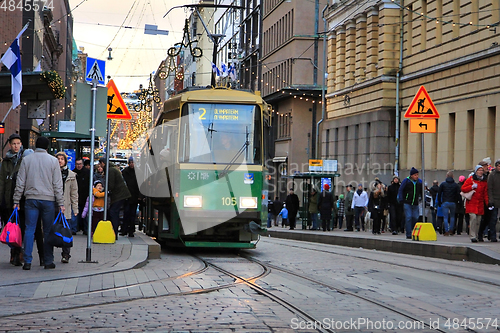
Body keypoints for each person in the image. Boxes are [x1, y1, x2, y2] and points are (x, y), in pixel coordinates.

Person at [13, 136, 64, 270]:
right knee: (47, 231)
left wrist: (16, 200)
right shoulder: (53, 161)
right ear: (47, 147)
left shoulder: (26, 160)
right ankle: (48, 261)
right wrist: (61, 203)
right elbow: (57, 184)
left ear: (36, 146)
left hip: (31, 198)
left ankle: (28, 261)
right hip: (48, 200)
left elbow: (20, 182)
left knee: (29, 229)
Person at [0, 134, 25, 266]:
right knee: (10, 227)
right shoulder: (6, 161)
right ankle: (13, 253)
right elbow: (2, 180)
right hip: (7, 199)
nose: (16, 146)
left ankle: (17, 253)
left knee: (19, 227)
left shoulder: (24, 159)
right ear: (10, 145)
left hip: (20, 199)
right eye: (14, 143)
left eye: (18, 143)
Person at [99, 157, 131, 239]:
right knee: (113, 212)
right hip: (121, 195)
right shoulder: (112, 169)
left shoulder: (110, 170)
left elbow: (111, 185)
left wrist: (103, 190)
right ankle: (114, 232)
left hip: (119, 195)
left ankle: (114, 233)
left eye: (100, 164)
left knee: (113, 212)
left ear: (103, 163)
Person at [55, 152, 79, 263]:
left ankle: (66, 254)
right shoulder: (52, 172)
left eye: (62, 159)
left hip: (66, 208)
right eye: (58, 159)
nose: (60, 161)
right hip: (53, 206)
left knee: (66, 232)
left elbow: (74, 193)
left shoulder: (71, 175)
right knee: (51, 231)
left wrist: (75, 208)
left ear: (65, 161)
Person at [461, 165, 488, 243]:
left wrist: (487, 203)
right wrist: (471, 187)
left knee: (478, 221)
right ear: (476, 171)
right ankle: (473, 236)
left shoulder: (484, 181)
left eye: (482, 170)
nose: (481, 172)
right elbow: (463, 188)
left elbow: (485, 193)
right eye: (479, 170)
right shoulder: (471, 179)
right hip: (472, 204)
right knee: (473, 218)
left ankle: (475, 235)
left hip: (480, 204)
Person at [397, 167, 422, 239]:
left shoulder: (419, 182)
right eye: (415, 175)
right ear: (411, 175)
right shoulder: (406, 181)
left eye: (417, 175)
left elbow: (421, 191)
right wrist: (401, 199)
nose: (416, 176)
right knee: (408, 217)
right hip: (407, 202)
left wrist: (423, 199)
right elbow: (401, 190)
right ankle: (408, 233)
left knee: (416, 217)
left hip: (415, 203)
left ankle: (414, 231)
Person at [121, 157, 142, 237]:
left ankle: (131, 230)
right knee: (126, 213)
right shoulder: (125, 172)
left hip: (134, 196)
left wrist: (140, 196)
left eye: (133, 162)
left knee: (132, 214)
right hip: (127, 196)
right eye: (130, 162)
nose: (132, 164)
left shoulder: (138, 172)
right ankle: (125, 229)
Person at [436, 171, 460, 236]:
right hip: (453, 202)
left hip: (445, 202)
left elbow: (439, 193)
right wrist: (459, 202)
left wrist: (439, 202)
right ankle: (451, 230)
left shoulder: (443, 184)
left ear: (446, 176)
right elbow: (458, 194)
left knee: (445, 217)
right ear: (453, 177)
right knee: (452, 217)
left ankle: (446, 230)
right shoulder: (456, 185)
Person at [73, 158, 90, 234]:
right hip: (75, 197)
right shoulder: (73, 173)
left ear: (82, 164)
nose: (79, 166)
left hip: (85, 197)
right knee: (75, 214)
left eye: (80, 164)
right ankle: (75, 228)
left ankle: (85, 229)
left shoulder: (87, 173)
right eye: (77, 164)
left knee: (85, 214)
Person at [486, 159, 500, 242]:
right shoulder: (492, 175)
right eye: (499, 166)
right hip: (494, 199)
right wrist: (490, 200)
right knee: (493, 219)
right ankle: (492, 235)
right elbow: (489, 188)